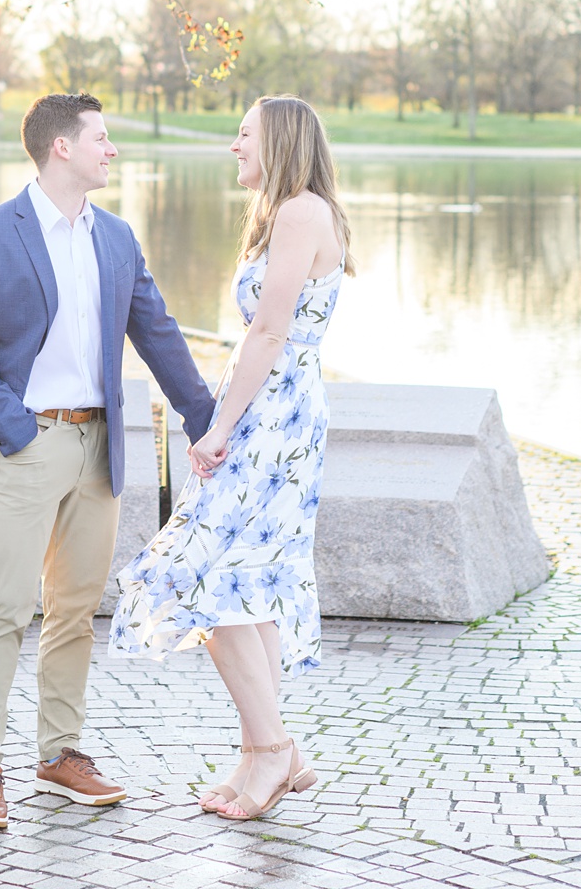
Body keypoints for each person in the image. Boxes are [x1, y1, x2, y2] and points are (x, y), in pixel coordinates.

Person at [0, 91, 218, 830]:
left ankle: (60, 752)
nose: (111, 149)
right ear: (60, 146)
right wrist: (16, 430)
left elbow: (158, 333)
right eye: (101, 137)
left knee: (72, 611)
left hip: (101, 449)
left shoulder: (118, 239)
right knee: (3, 607)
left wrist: (207, 419)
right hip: (27, 445)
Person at [109, 95, 347, 820]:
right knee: (244, 581)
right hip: (269, 408)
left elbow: (269, 332)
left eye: (243, 134)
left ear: (277, 140)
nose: (233, 145)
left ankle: (274, 752)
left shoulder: (302, 210)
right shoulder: (284, 214)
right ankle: (261, 753)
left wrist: (220, 428)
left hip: (273, 415)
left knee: (205, 573)